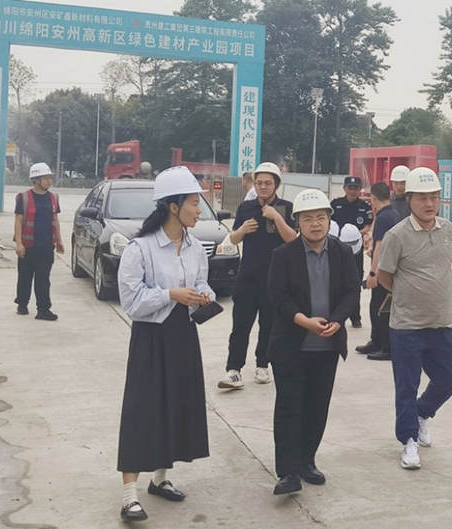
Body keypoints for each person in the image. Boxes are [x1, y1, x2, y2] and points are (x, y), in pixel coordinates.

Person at [116, 166, 216, 522]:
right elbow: (131, 302)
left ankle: (159, 478)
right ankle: (129, 497)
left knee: (177, 404)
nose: (199, 210)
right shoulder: (139, 249)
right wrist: (171, 294)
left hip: (183, 335)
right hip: (150, 337)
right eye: (193, 203)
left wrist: (203, 295)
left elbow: (202, 282)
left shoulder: (195, 247)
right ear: (173, 207)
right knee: (142, 410)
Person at [267, 189, 361, 495]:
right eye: (308, 219)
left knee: (317, 408)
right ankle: (288, 472)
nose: (315, 224)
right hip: (291, 346)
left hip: (326, 348)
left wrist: (339, 319)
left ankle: (307, 461)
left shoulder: (342, 252)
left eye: (321, 217)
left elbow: (352, 291)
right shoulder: (284, 255)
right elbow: (278, 297)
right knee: (289, 408)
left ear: (329, 220)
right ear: (298, 222)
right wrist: (304, 321)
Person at [376, 167, 452, 471]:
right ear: (409, 199)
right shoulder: (396, 235)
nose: (429, 204)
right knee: (407, 386)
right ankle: (409, 440)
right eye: (423, 198)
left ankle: (422, 413)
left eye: (434, 197)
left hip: (443, 322)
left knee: (448, 378)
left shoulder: (448, 230)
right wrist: (407, 294)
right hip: (407, 327)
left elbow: (445, 267)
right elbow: (383, 275)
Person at [220, 162, 298, 389]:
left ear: (276, 185)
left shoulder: (286, 207)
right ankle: (234, 370)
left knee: (269, 326)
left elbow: (292, 239)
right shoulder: (246, 207)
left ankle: (263, 365)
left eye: (268, 183)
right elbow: (233, 239)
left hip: (275, 279)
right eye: (259, 183)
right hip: (247, 278)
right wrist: (242, 230)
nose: (263, 187)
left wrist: (276, 217)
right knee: (240, 326)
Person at [356, 182, 402, 361]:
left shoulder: (382, 218)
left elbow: (380, 247)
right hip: (392, 269)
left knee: (379, 309)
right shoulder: (394, 214)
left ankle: (386, 347)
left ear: (373, 198)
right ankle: (376, 341)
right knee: (379, 306)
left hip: (383, 270)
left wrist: (373, 273)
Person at [13, 162, 64, 321]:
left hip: (46, 246)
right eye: (46, 178)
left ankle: (43, 309)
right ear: (36, 180)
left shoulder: (53, 198)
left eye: (50, 178)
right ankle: (22, 304)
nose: (49, 181)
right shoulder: (24, 198)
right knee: (25, 277)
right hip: (28, 247)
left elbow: (55, 220)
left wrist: (59, 241)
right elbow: (18, 220)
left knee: (43, 279)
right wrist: (19, 243)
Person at [330, 176, 372, 328]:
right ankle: (336, 315)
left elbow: (368, 226)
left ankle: (355, 316)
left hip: (355, 249)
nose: (352, 191)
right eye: (350, 188)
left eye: (355, 188)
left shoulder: (364, 207)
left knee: (354, 281)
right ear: (344, 188)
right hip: (336, 248)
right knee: (335, 281)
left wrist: (355, 234)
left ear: (360, 189)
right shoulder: (335, 204)